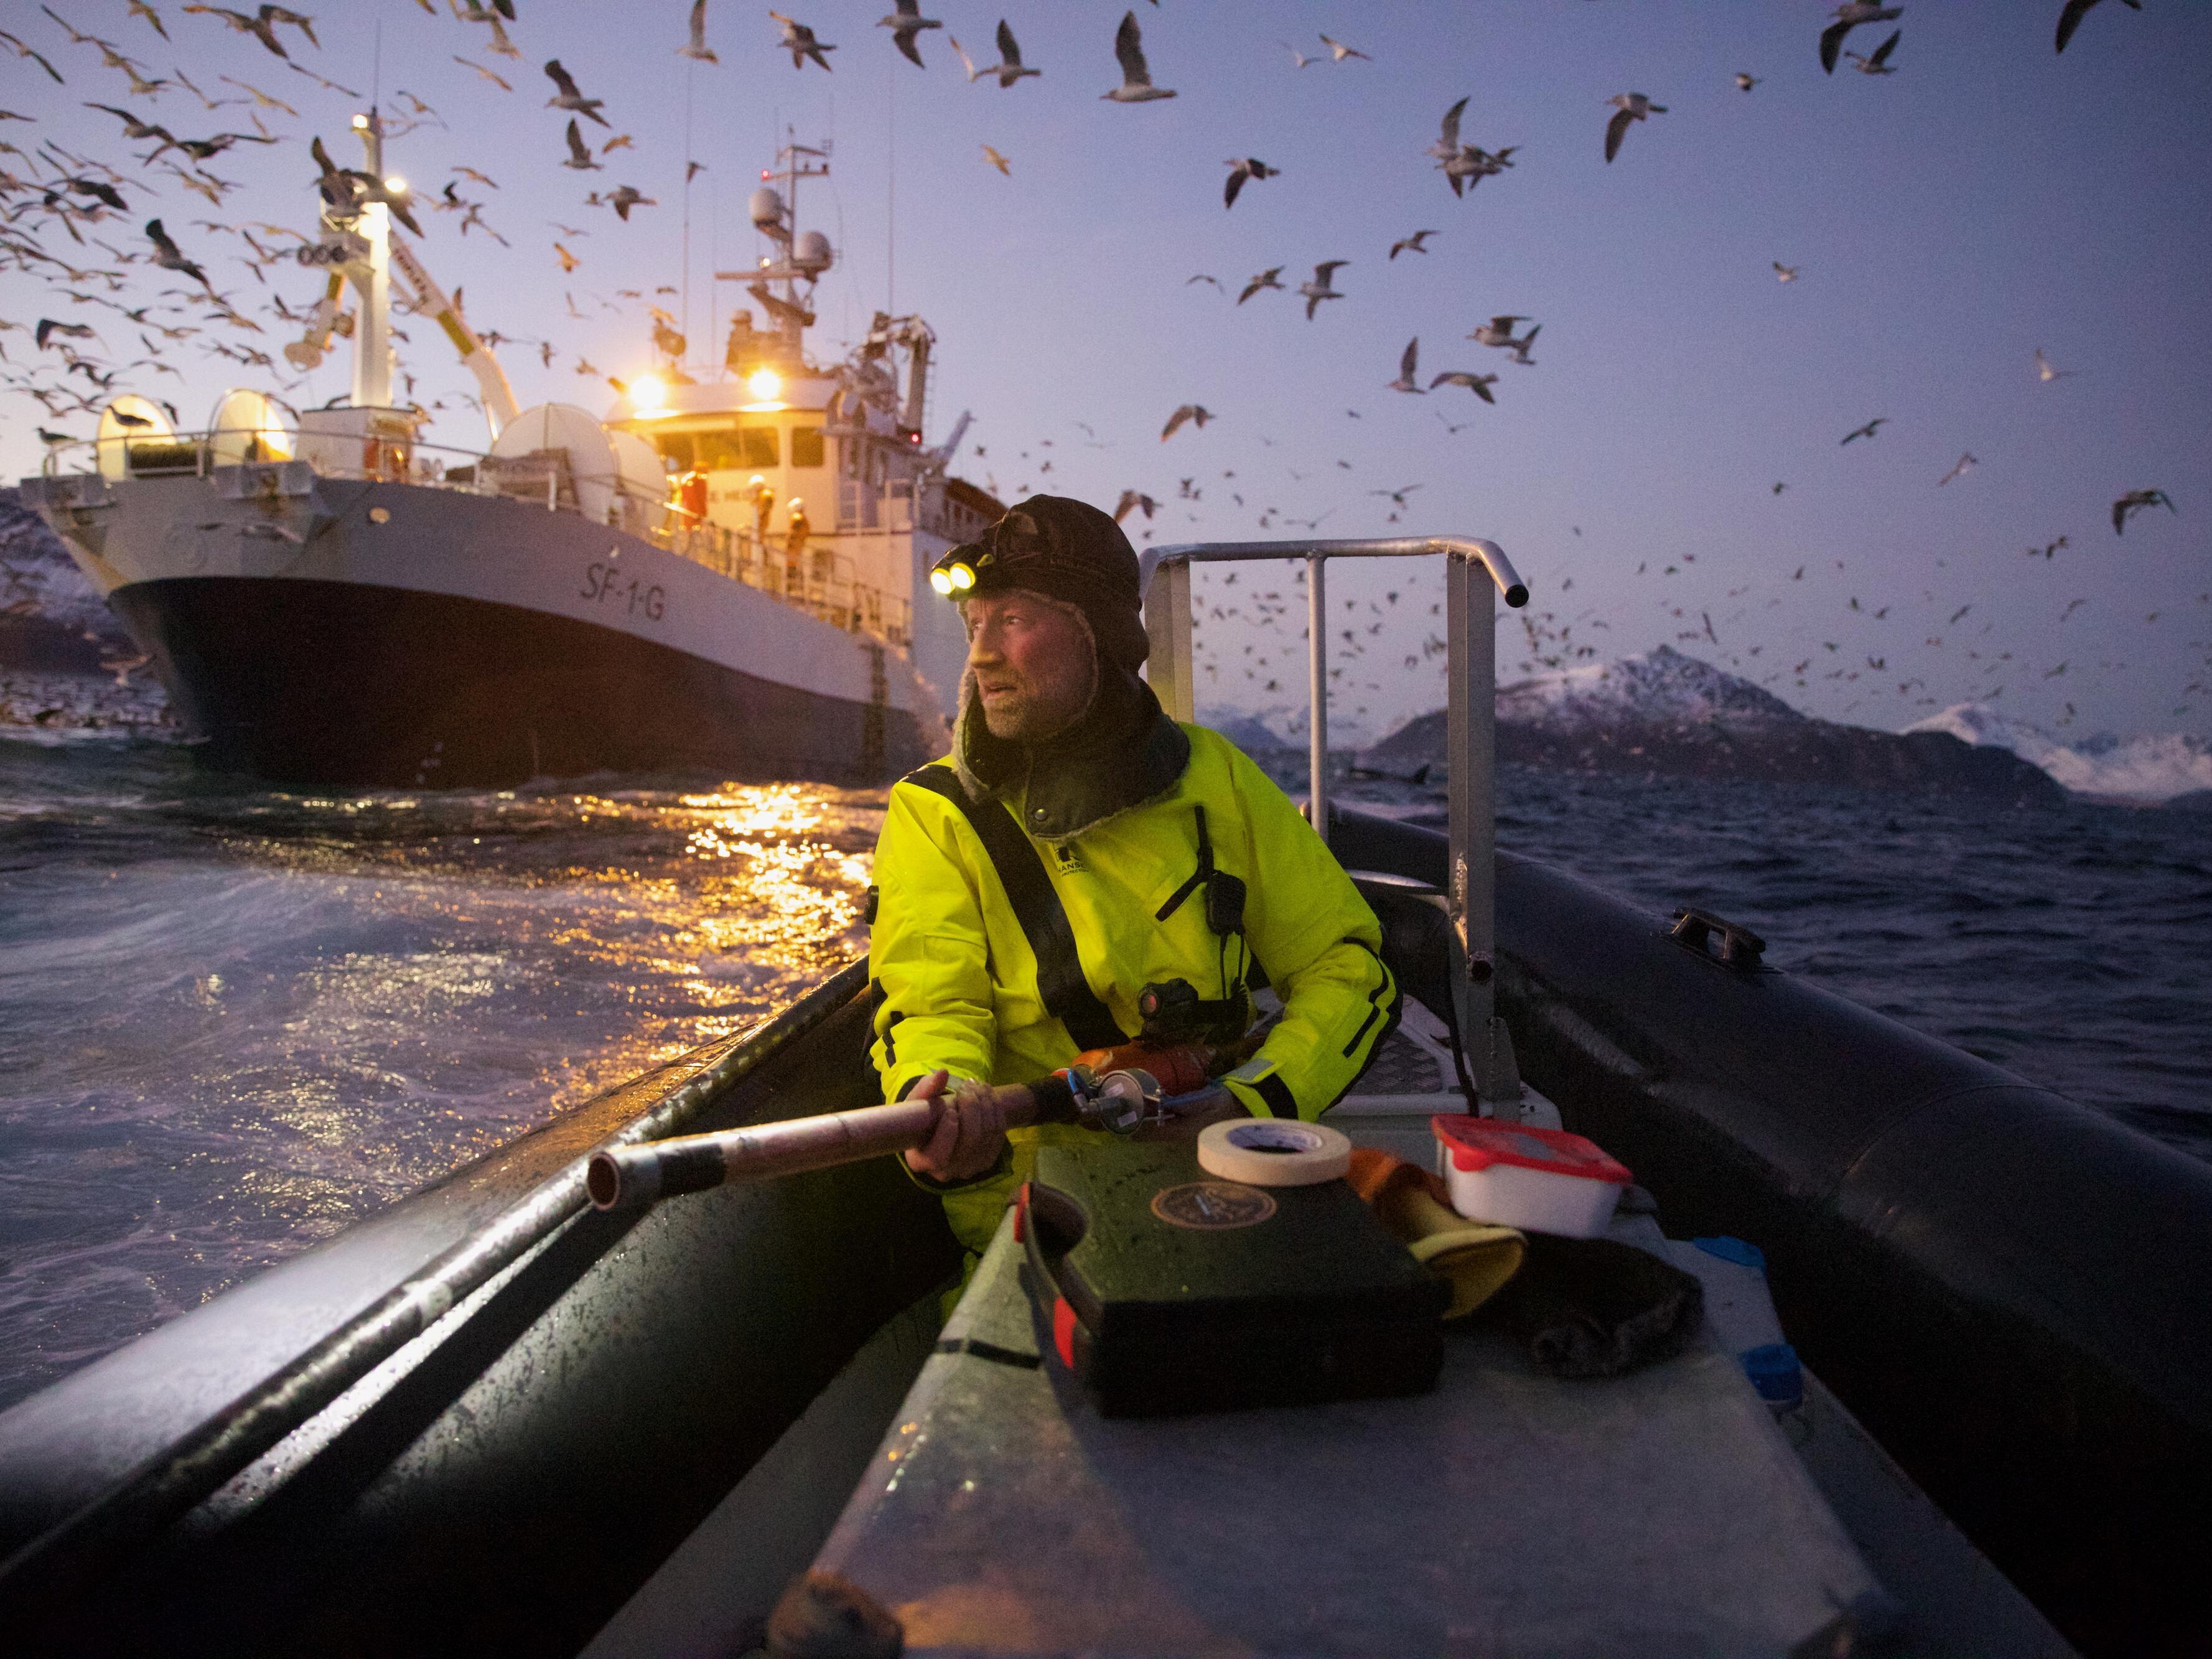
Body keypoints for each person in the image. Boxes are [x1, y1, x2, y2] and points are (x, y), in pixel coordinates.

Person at [866, 494, 1400, 1271]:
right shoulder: (934, 810)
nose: (980, 654)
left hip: (1231, 1180)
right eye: (976, 623)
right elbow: (930, 1004)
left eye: (1013, 620)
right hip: (1034, 1226)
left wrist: (1251, 1103)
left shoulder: (1217, 777)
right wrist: (942, 1105)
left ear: (1097, 638)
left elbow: (1349, 969)